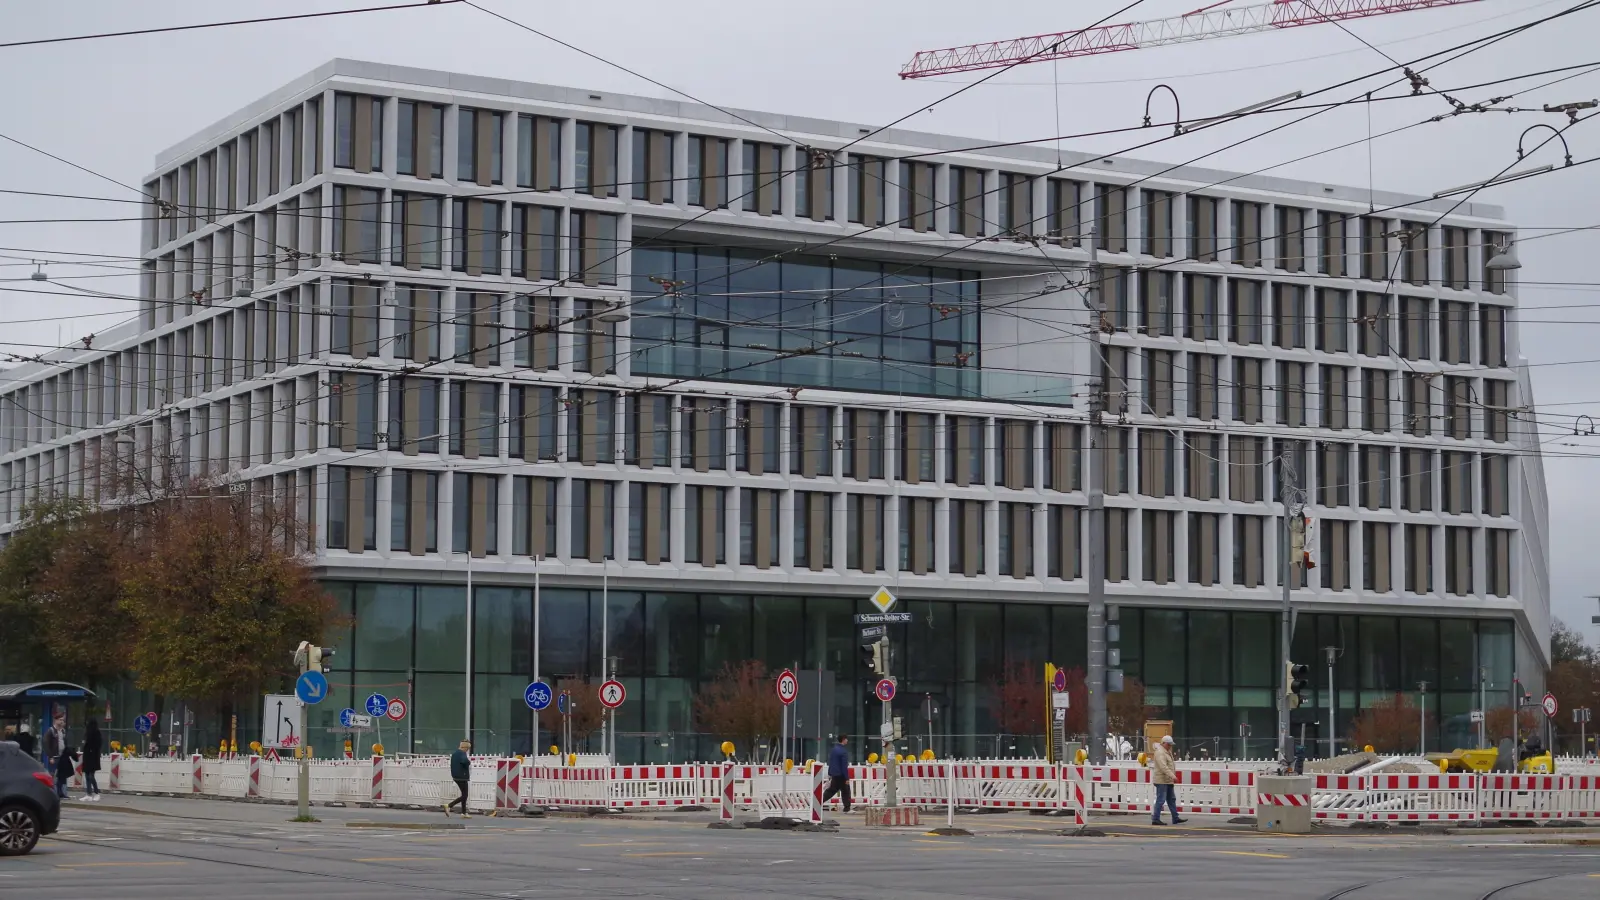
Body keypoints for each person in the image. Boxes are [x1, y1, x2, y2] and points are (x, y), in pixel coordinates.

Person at [1149, 735, 1185, 826]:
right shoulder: (1161, 752)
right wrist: (1173, 776)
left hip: (1167, 780)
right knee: (1161, 800)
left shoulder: (1165, 751)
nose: (1170, 746)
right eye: (1169, 744)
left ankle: (1175, 818)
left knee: (1171, 799)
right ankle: (1156, 819)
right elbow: (1163, 767)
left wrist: (1171, 777)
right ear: (1164, 743)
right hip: (1162, 780)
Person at [820, 734, 852, 813]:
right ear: (844, 740)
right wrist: (846, 778)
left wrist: (830, 773)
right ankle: (847, 808)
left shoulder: (834, 750)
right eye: (846, 739)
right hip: (841, 775)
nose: (847, 741)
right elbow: (844, 766)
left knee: (831, 790)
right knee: (846, 791)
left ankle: (818, 802)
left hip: (834, 774)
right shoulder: (843, 751)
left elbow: (831, 762)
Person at [444, 740, 471, 817]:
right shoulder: (462, 753)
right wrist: (468, 763)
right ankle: (449, 805)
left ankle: (464, 812)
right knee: (465, 795)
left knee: (464, 794)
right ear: (465, 747)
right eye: (468, 748)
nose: (468, 750)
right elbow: (465, 761)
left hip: (456, 776)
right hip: (462, 776)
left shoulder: (455, 753)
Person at [47, 721, 73, 800]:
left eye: (64, 721)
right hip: (55, 757)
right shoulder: (51, 731)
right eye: (61, 721)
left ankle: (62, 793)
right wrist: (50, 756)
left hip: (63, 756)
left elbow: (65, 743)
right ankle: (53, 793)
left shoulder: (63, 731)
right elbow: (47, 744)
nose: (63, 723)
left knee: (63, 775)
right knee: (54, 775)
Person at [80, 720, 103, 801]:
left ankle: (96, 793)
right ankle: (88, 794)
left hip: (93, 757)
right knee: (87, 776)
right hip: (87, 757)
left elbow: (97, 745)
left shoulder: (96, 733)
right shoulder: (87, 733)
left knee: (91, 776)